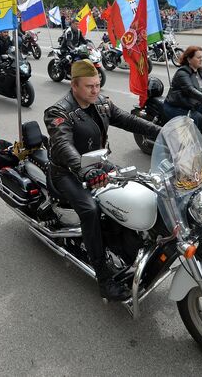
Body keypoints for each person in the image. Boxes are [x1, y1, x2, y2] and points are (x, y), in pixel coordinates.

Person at [44, 59, 160, 301]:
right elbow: (63, 145)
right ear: (74, 86)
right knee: (90, 210)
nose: (96, 90)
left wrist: (161, 132)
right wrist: (83, 170)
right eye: (89, 86)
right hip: (67, 172)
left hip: (97, 165)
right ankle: (103, 277)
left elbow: (129, 121)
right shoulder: (58, 112)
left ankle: (132, 244)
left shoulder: (102, 104)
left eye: (97, 85)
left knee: (139, 185)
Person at [163, 46, 202, 129]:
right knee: (198, 118)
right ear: (189, 60)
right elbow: (190, 90)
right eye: (198, 57)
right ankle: (191, 141)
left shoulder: (201, 70)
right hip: (178, 106)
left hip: (195, 104)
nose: (201, 59)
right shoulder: (182, 73)